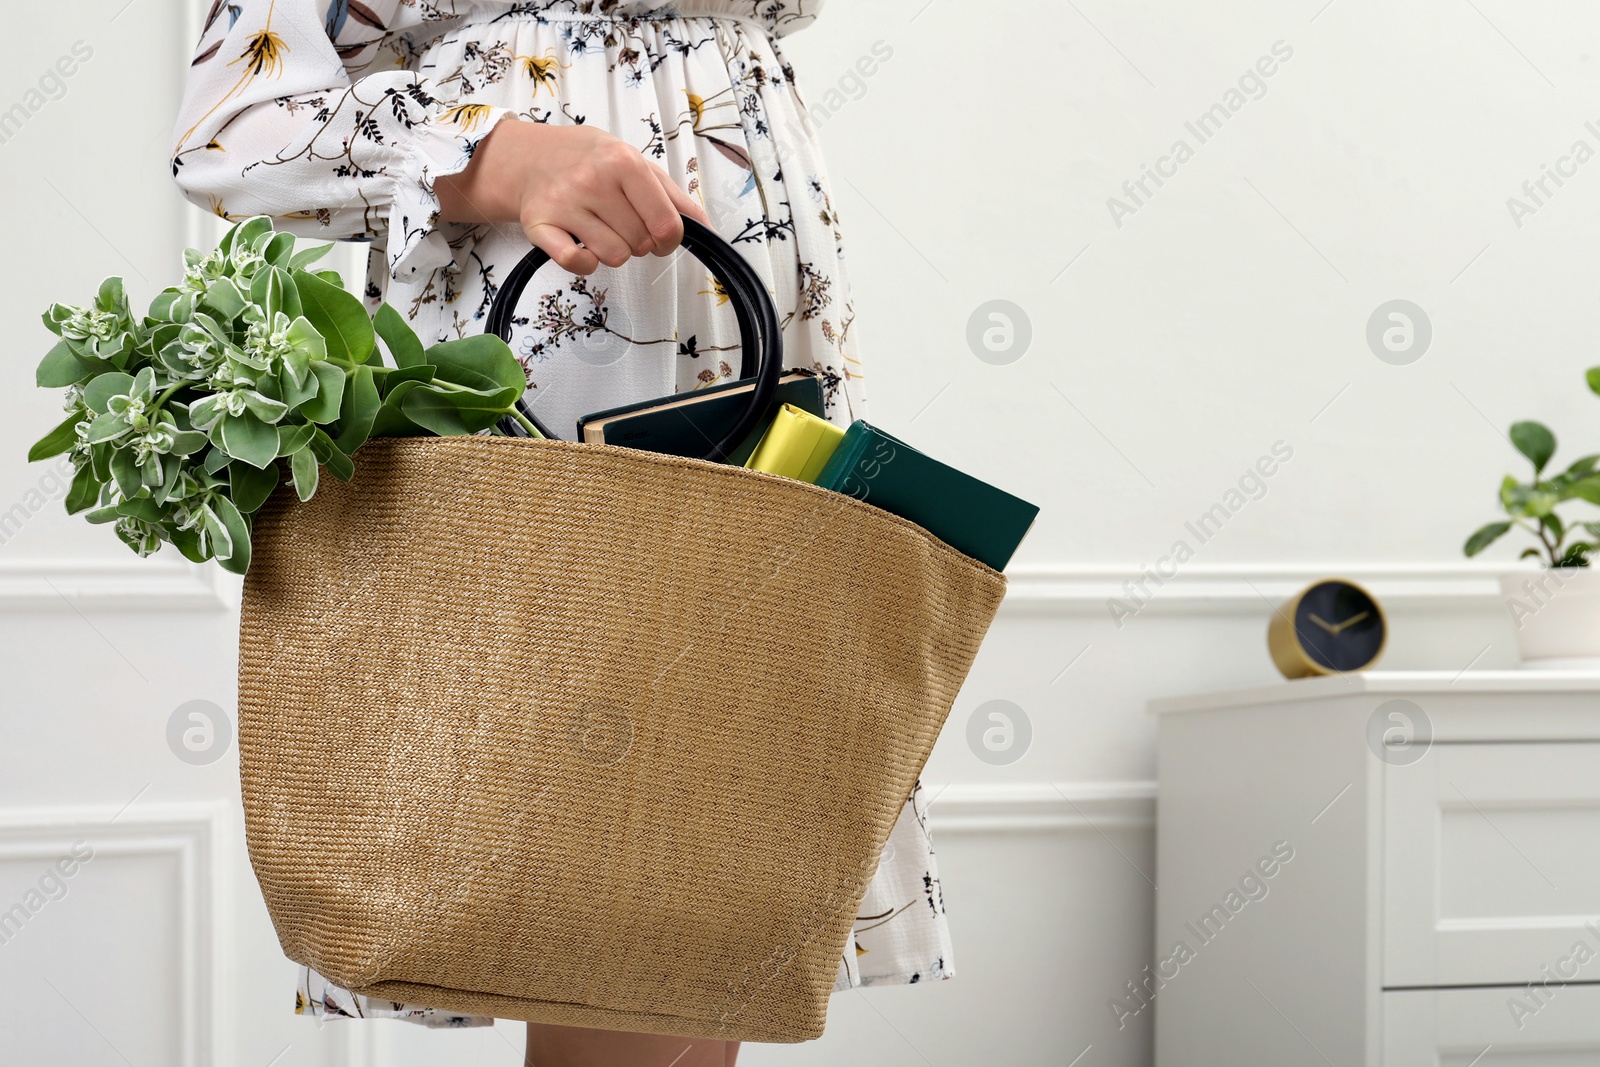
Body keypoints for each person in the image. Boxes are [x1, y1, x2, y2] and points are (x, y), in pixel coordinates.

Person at [172, 3, 953, 1063]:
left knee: (699, 881)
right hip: (558, 306)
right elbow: (231, 126)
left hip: (754, 292)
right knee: (611, 871)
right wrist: (499, 158)